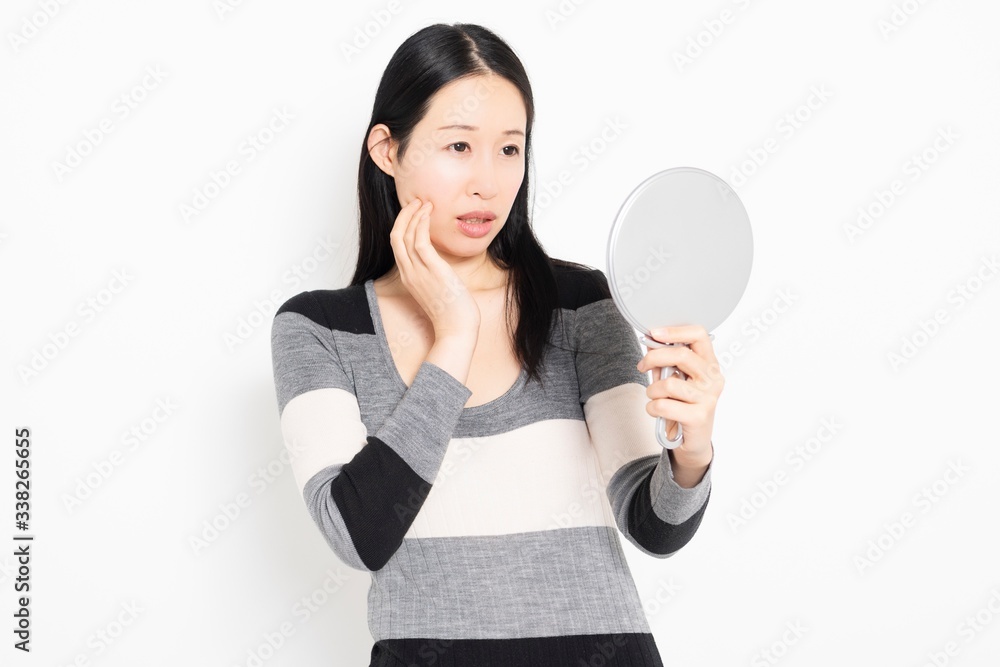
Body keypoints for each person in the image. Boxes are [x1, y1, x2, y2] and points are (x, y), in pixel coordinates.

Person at [270, 22, 721, 667]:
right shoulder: (320, 329)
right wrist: (454, 335)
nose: (488, 181)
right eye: (459, 145)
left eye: (510, 149)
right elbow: (358, 534)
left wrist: (692, 450)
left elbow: (656, 527)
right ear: (387, 150)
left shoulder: (576, 305)